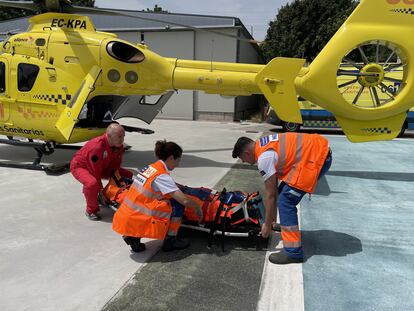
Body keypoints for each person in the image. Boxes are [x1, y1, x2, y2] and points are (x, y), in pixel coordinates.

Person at [232, 132, 332, 264]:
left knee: (286, 202)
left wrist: (267, 225)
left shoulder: (264, 158)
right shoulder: (264, 145)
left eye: (242, 158)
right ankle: (284, 224)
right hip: (317, 152)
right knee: (283, 191)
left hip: (315, 159)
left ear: (247, 153)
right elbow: (275, 189)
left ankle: (293, 252)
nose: (244, 162)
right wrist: (271, 220)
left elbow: (271, 194)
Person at [112, 140, 203, 252]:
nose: (178, 164)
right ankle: (170, 241)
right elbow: (184, 201)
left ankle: (133, 236)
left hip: (127, 215)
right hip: (138, 215)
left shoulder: (151, 168)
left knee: (166, 200)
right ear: (171, 158)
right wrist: (198, 207)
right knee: (177, 204)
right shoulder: (161, 176)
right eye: (178, 160)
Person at [70, 123, 133, 221]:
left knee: (128, 175)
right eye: (119, 136)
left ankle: (113, 196)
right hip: (82, 167)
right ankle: (91, 210)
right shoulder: (97, 147)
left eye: (123, 136)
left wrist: (118, 179)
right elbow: (94, 172)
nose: (122, 139)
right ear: (108, 136)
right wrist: (100, 190)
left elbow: (115, 167)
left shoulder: (118, 146)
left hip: (103, 165)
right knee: (92, 183)